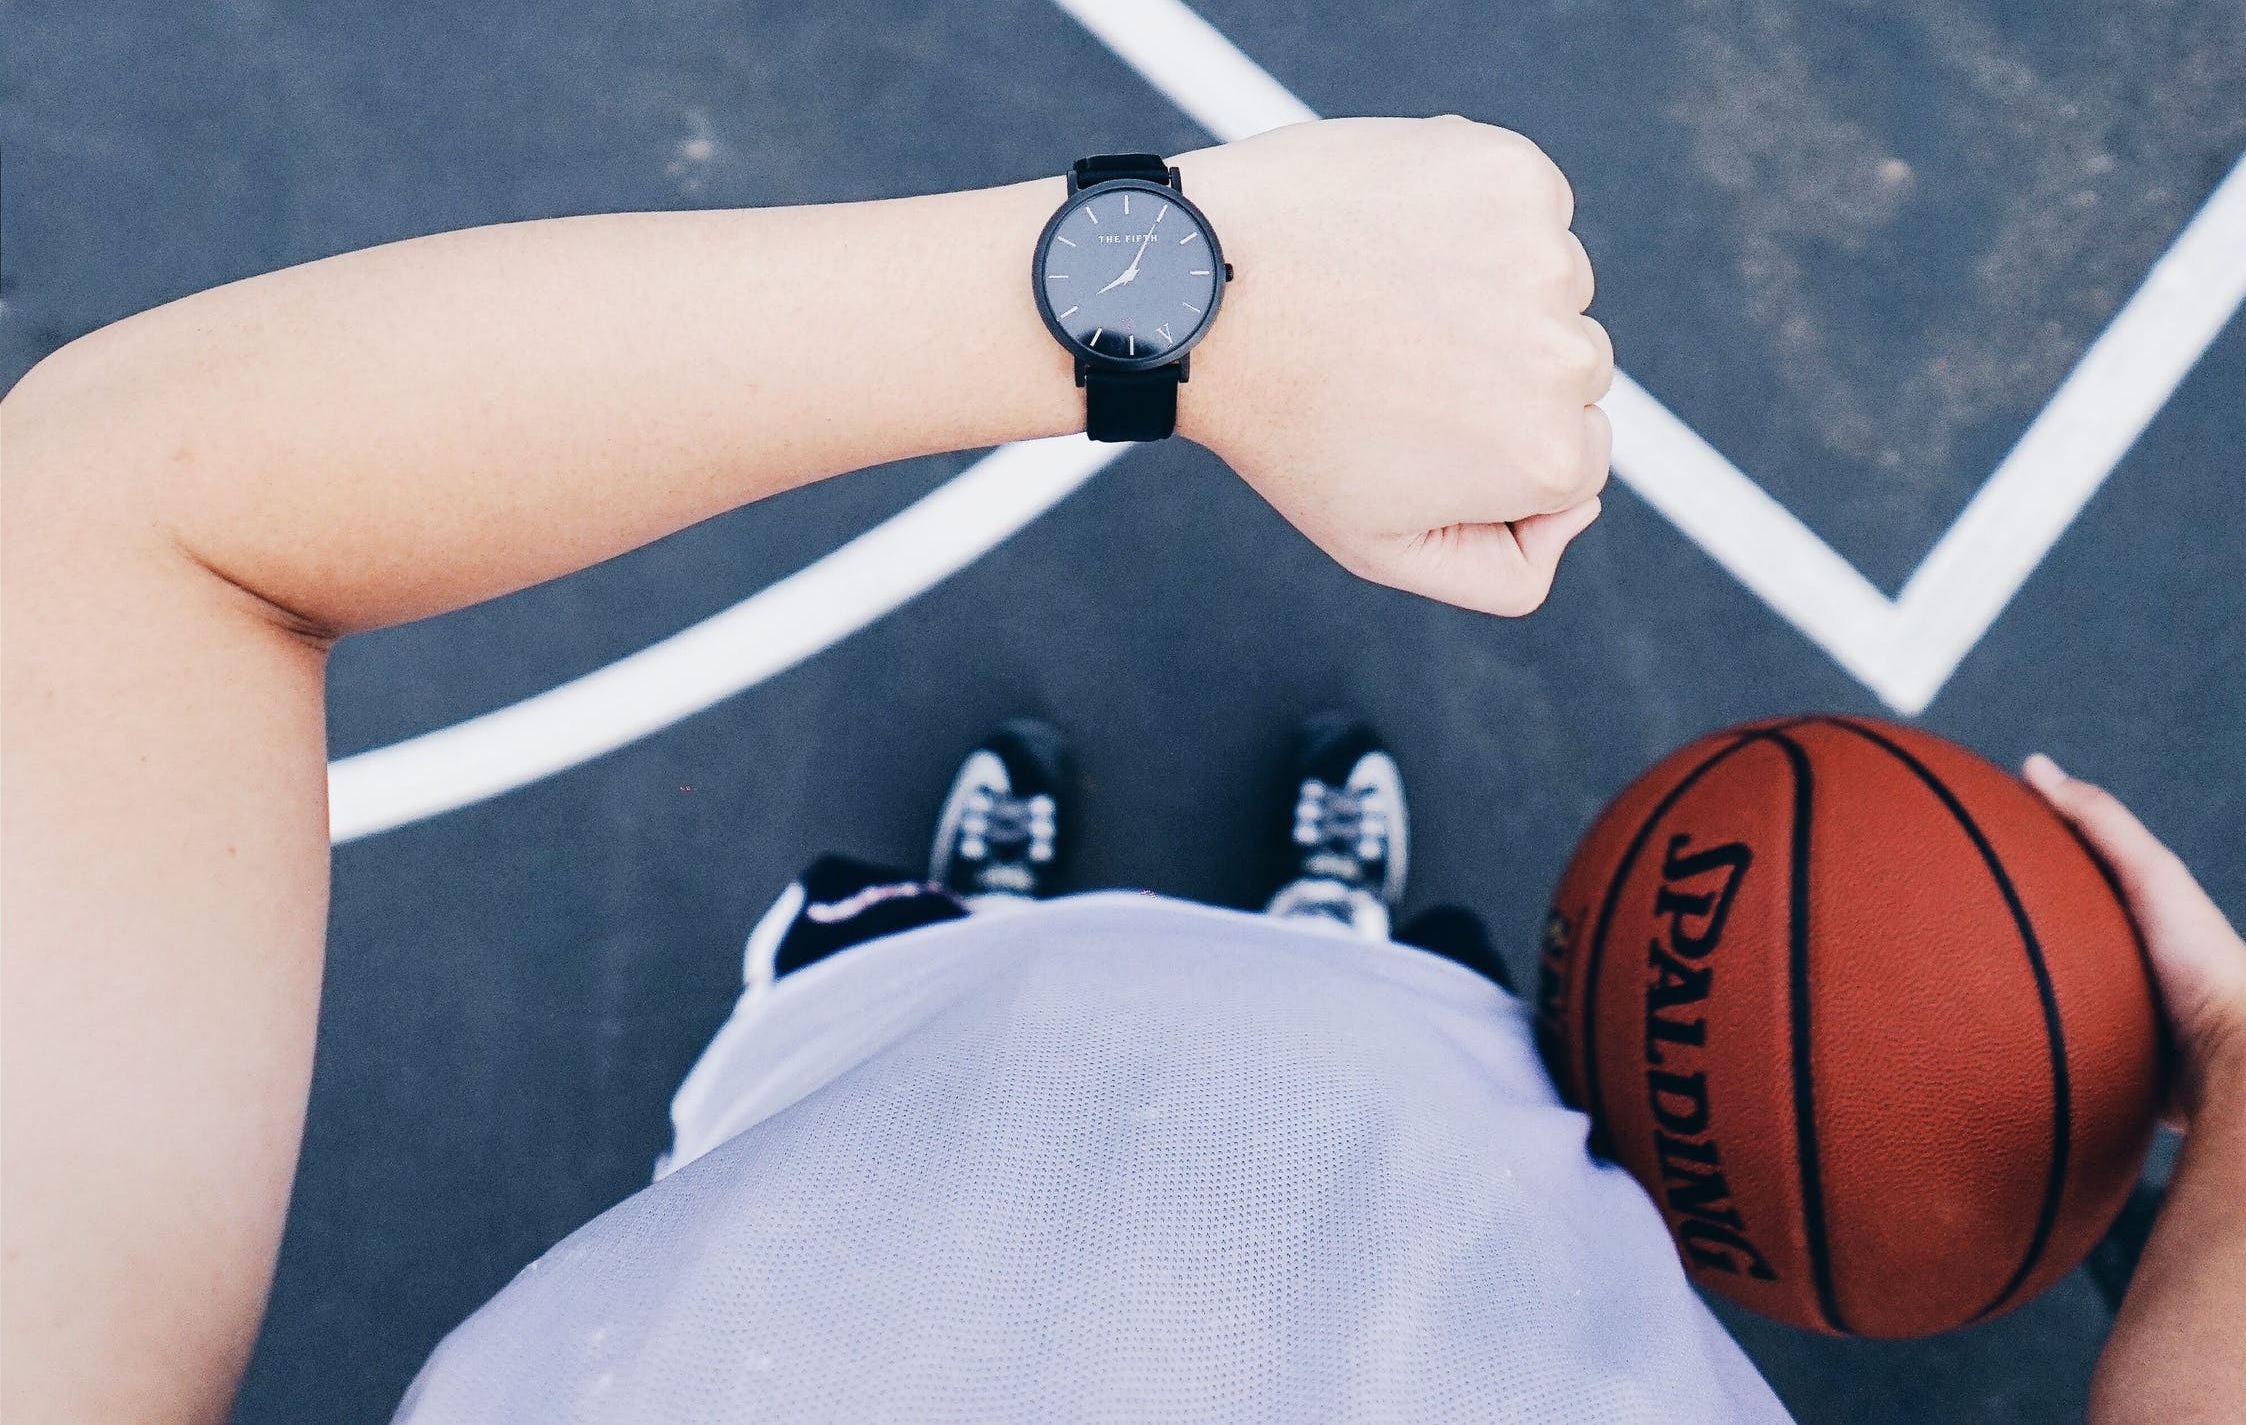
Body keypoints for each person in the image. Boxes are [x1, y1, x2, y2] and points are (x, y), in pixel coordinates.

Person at [1, 115, 2239, 1422]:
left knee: (913, 1021)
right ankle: (1329, 950)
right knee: (1391, 1037)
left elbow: (119, 527)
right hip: (1431, 1133)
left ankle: (989, 929)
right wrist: (1158, 290)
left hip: (882, 1084)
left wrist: (1174, 294)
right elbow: (126, 526)